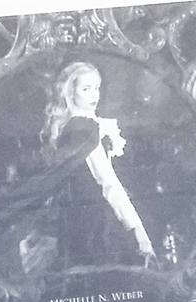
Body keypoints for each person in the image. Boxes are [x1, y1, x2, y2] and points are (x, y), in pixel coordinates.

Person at [40, 62, 156, 269]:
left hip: (75, 220)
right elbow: (108, 183)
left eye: (97, 88)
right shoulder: (84, 129)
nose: (94, 95)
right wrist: (139, 232)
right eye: (86, 89)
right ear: (70, 92)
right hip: (96, 222)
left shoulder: (76, 126)